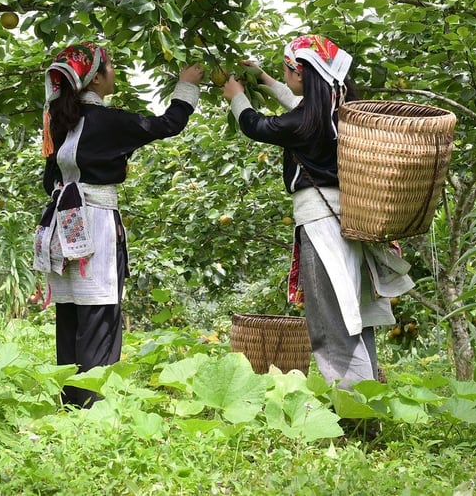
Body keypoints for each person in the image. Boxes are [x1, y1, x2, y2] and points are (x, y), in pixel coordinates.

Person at [221, 35, 412, 410]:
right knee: (354, 318)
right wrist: (265, 80)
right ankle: (368, 405)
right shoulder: (342, 112)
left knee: (331, 324)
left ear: (303, 73)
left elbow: (257, 126)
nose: (284, 75)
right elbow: (301, 107)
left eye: (287, 69)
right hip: (352, 219)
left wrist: (235, 96)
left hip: (321, 223)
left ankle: (356, 415)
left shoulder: (304, 123)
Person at [34, 43, 203, 408]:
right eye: (110, 66)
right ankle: (94, 409)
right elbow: (167, 124)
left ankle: (71, 405)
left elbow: (50, 181)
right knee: (100, 312)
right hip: (94, 221)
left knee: (71, 313)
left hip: (61, 225)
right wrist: (186, 84)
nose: (114, 71)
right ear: (96, 77)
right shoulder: (110, 121)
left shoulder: (60, 123)